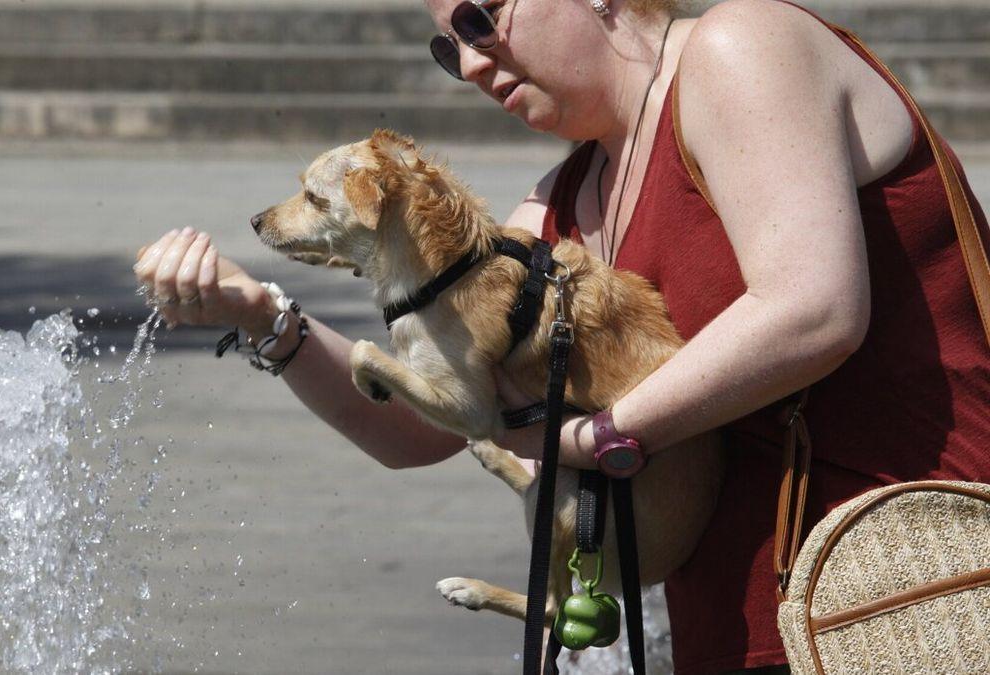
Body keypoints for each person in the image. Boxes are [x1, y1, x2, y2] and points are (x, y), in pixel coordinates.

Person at [133, 0, 990, 672]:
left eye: (483, 16)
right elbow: (425, 426)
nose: (469, 62)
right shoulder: (565, 201)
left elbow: (814, 309)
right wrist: (264, 318)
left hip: (924, 593)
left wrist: (602, 434)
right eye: (447, 46)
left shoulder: (740, 49)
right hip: (755, 624)